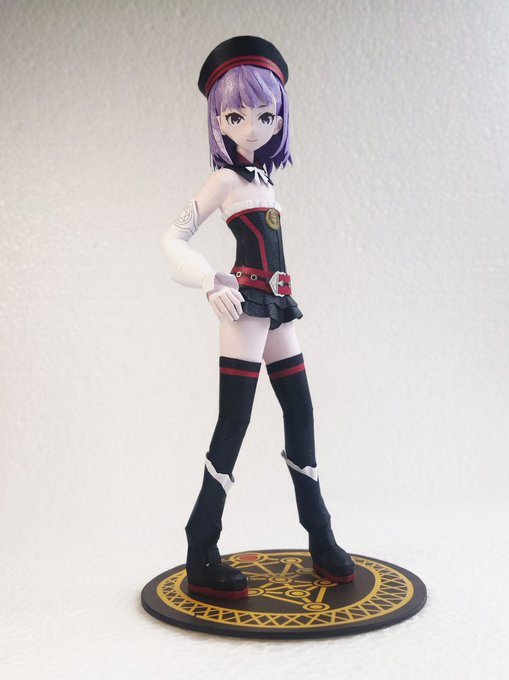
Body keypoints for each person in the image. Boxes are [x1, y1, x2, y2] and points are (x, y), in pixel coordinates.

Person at [162, 36, 354, 600]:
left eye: (265, 115)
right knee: (235, 420)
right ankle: (200, 545)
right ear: (217, 120)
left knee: (301, 410)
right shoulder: (223, 181)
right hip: (245, 307)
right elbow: (172, 237)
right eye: (236, 116)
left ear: (280, 117)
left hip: (279, 305)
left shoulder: (267, 181)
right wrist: (206, 280)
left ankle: (319, 533)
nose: (252, 128)